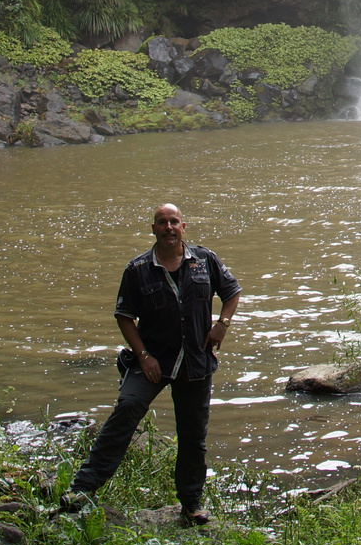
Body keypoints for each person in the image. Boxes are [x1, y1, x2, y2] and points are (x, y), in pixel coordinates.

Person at [63, 202, 241, 524]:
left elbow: (232, 292)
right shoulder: (138, 269)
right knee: (127, 408)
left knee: (192, 436)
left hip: (195, 363)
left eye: (174, 222)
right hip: (152, 362)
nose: (169, 228)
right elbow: (124, 316)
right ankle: (81, 488)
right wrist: (143, 356)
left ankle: (191, 505)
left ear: (183, 227)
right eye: (162, 222)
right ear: (154, 229)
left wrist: (221, 325)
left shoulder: (205, 261)